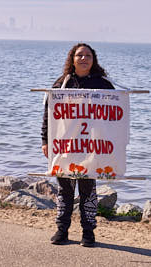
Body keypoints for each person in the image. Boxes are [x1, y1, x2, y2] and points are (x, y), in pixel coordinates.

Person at [41, 43, 114, 247]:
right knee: (64, 188)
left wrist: (115, 143)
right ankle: (62, 230)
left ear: (94, 59)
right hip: (65, 145)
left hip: (92, 146)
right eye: (80, 55)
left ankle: (88, 233)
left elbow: (115, 116)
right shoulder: (62, 84)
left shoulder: (104, 84)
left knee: (88, 189)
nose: (84, 59)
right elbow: (48, 115)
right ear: (72, 59)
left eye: (88, 55)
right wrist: (45, 140)